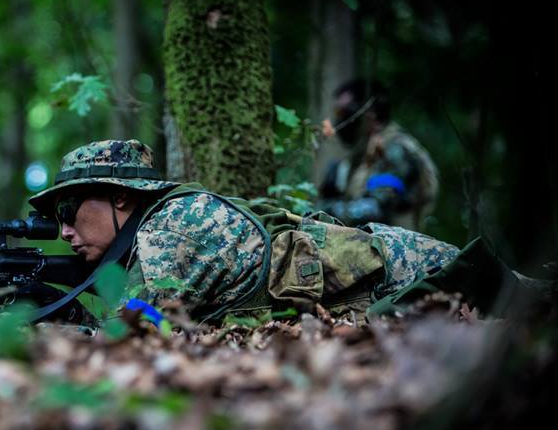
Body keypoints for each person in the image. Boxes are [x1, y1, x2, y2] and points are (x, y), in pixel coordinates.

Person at [29, 139, 486, 324]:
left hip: (409, 271)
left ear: (121, 197)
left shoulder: (169, 228)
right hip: (392, 272)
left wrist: (45, 313)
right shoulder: (155, 229)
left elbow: (134, 334)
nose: (64, 229)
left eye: (69, 209)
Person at [317, 79, 439, 231]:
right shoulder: (362, 155)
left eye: (344, 112)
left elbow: (377, 208)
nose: (340, 120)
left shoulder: (395, 150)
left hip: (397, 250)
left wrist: (324, 210)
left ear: (369, 114)